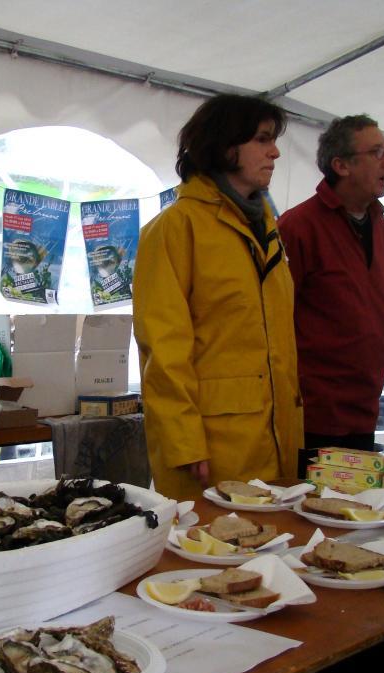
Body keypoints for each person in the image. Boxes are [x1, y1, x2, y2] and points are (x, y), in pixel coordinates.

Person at [133, 94, 302, 500]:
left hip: (278, 440)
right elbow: (163, 348)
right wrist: (183, 442)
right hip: (211, 449)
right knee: (214, 556)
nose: (275, 152)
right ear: (226, 146)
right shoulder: (175, 228)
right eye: (263, 139)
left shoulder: (268, 232)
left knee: (277, 556)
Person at [278, 114, 384, 463]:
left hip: (365, 410)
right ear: (341, 165)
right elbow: (273, 323)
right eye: (376, 152)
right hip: (314, 417)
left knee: (356, 513)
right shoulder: (298, 227)